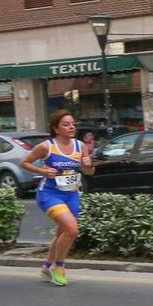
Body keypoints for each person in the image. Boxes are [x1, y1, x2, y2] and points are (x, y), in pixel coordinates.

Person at [21, 109, 92, 287]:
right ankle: (58, 266)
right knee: (72, 230)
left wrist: (89, 165)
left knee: (62, 233)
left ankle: (46, 267)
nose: (71, 127)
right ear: (56, 128)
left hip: (72, 194)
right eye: (66, 124)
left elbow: (89, 172)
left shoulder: (80, 146)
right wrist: (43, 171)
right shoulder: (47, 146)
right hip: (49, 194)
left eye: (73, 124)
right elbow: (24, 163)